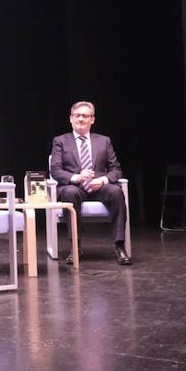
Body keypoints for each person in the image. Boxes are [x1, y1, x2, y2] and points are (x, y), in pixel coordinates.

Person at [49, 100, 131, 265]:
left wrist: (103, 180)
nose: (81, 119)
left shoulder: (104, 141)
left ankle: (119, 246)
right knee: (70, 193)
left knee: (116, 192)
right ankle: (75, 246)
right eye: (77, 116)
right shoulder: (60, 141)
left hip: (99, 186)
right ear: (71, 119)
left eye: (85, 116)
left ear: (92, 119)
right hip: (74, 186)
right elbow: (55, 170)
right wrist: (76, 177)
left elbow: (116, 170)